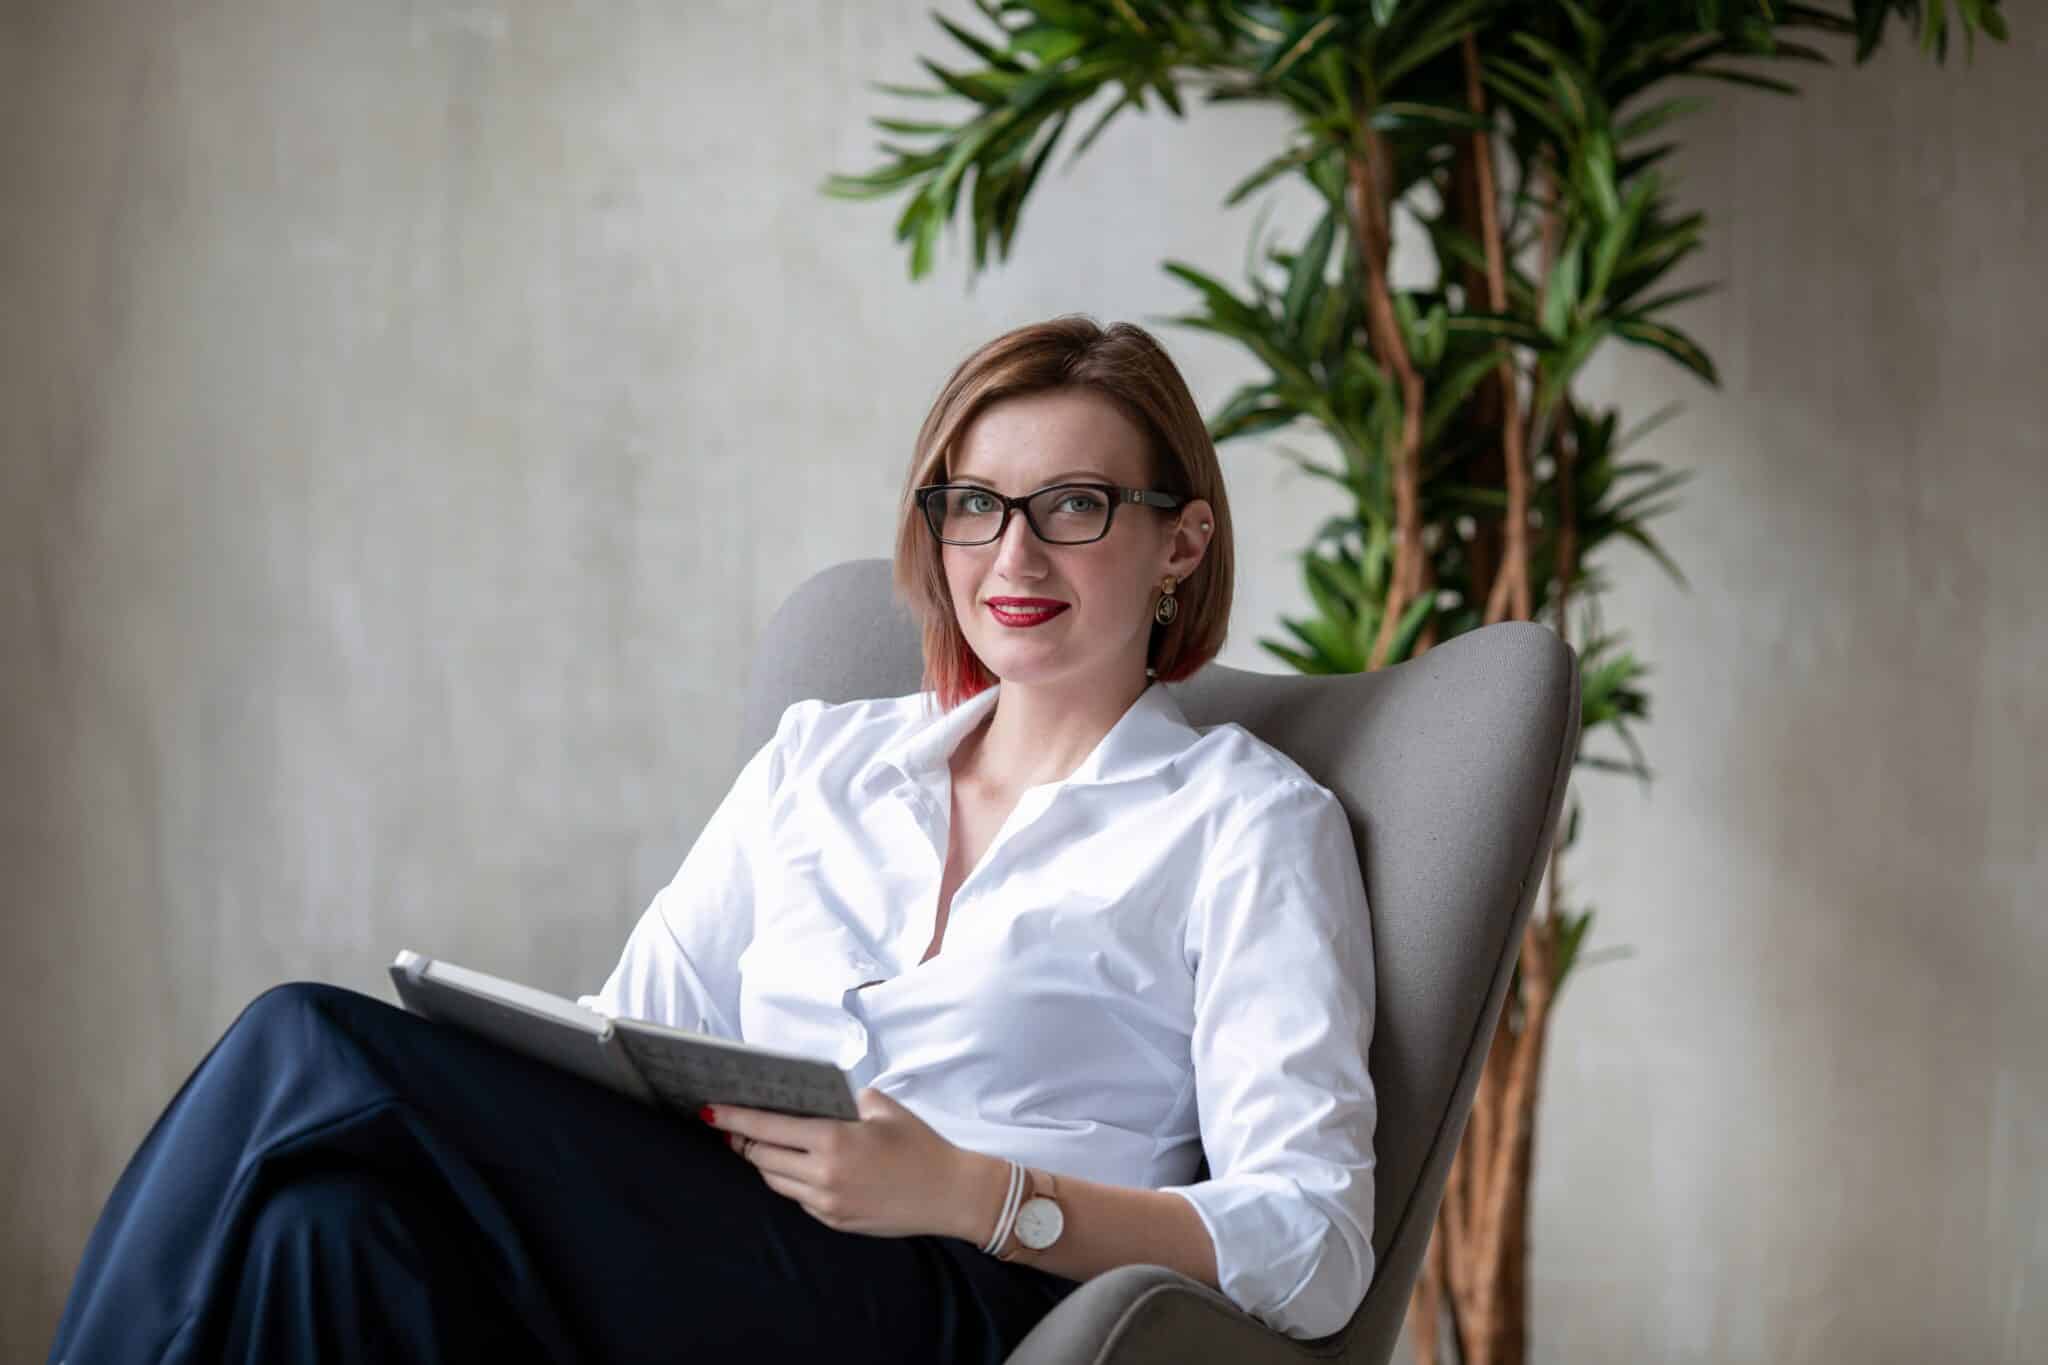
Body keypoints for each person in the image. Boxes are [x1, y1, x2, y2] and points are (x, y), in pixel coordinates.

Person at [47, 316, 1378, 1364]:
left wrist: (979, 1190)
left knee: (305, 1043)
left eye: (1073, 505)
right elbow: (629, 1032)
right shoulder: (821, 762)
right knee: (317, 1233)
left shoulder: (1246, 825)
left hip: (961, 1295)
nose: (1011, 554)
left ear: (1180, 542)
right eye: (972, 504)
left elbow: (1314, 1242)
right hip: (706, 1240)